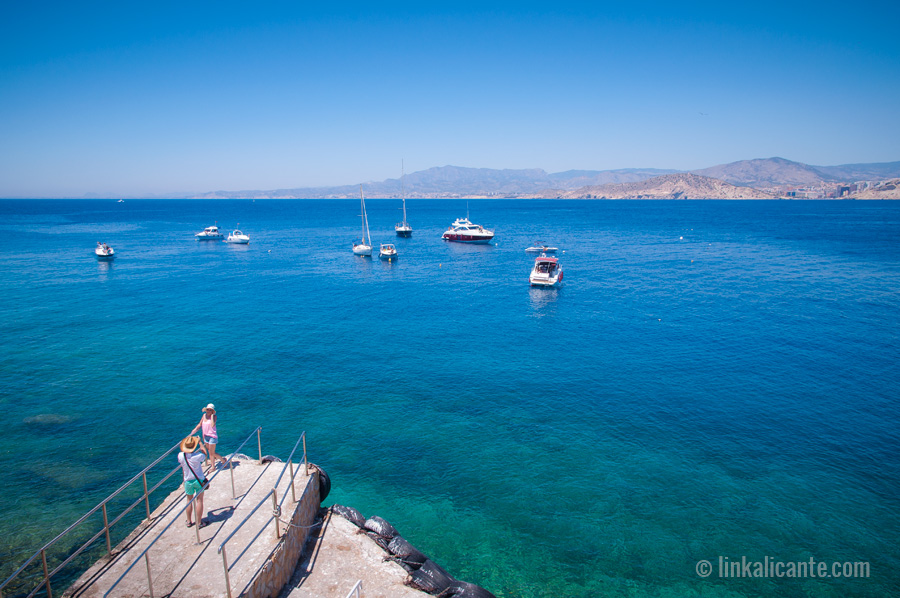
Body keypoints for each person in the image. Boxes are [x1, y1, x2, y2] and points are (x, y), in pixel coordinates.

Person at [177, 435, 209, 528]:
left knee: (189, 500)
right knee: (199, 501)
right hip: (198, 480)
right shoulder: (197, 456)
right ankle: (199, 523)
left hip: (187, 481)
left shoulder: (180, 456)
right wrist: (200, 442)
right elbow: (204, 454)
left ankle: (188, 521)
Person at [192, 403, 226, 469]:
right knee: (211, 452)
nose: (208, 411)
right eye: (207, 409)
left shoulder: (214, 417)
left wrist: (212, 415)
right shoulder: (204, 415)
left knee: (211, 453)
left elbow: (212, 425)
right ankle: (223, 460)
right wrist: (194, 430)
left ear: (212, 411)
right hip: (205, 436)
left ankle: (213, 467)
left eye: (210, 410)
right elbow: (200, 424)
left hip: (212, 436)